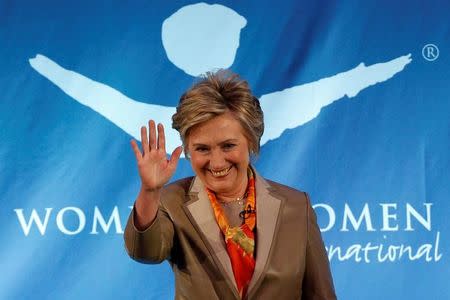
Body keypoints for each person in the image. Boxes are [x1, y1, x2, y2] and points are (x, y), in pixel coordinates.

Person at [124, 70, 336, 300]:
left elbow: (321, 295)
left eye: (228, 146)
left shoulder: (297, 206)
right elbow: (144, 251)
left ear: (251, 142)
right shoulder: (172, 202)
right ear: (188, 150)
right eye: (202, 149)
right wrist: (150, 191)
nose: (216, 162)